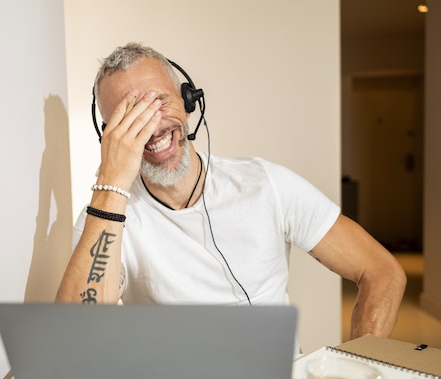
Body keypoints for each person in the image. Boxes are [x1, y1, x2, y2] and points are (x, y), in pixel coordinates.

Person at [55, 42, 406, 341]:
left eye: (158, 102)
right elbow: (76, 336)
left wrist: (360, 373)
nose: (152, 126)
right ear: (109, 135)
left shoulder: (266, 184)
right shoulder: (107, 214)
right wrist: (112, 182)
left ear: (188, 100)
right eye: (128, 119)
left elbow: (381, 271)